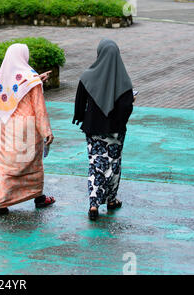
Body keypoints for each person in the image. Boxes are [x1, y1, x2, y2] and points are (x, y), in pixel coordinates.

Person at [0, 43, 55, 217]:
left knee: (5, 164)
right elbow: (39, 108)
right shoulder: (31, 78)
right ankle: (39, 198)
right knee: (31, 163)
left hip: (8, 126)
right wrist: (46, 131)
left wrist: (37, 80)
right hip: (28, 128)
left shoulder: (5, 76)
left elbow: (13, 92)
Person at [72, 38, 134, 221]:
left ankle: (93, 203)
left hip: (93, 129)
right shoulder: (123, 80)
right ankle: (111, 200)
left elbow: (79, 102)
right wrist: (117, 121)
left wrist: (82, 117)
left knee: (96, 163)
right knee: (113, 164)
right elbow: (126, 107)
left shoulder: (87, 76)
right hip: (114, 132)